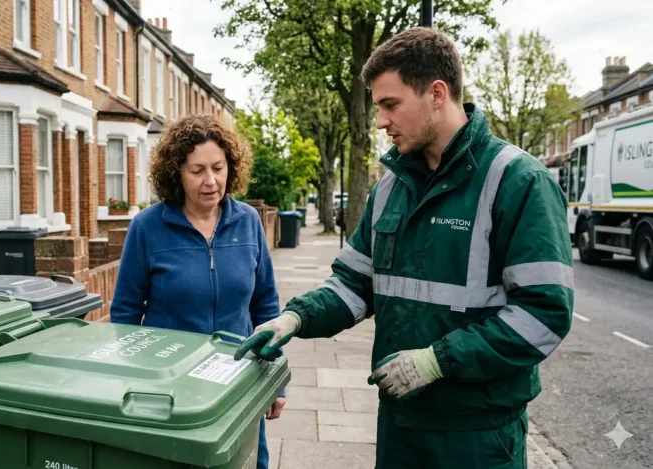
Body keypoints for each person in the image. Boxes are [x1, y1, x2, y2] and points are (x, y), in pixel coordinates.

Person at [234, 27, 573, 469]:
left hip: (476, 435)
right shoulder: (390, 187)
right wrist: (294, 318)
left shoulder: (518, 181)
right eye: (377, 107)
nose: (379, 121)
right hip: (401, 424)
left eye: (390, 105)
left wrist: (437, 362)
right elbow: (355, 285)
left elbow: (544, 314)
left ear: (436, 93)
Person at [110, 114, 285, 469]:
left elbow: (266, 306)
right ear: (176, 172)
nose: (211, 181)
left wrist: (275, 382)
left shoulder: (248, 222)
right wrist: (132, 384)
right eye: (197, 170)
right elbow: (125, 314)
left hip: (238, 381)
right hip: (170, 393)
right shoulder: (147, 227)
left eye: (218, 168)